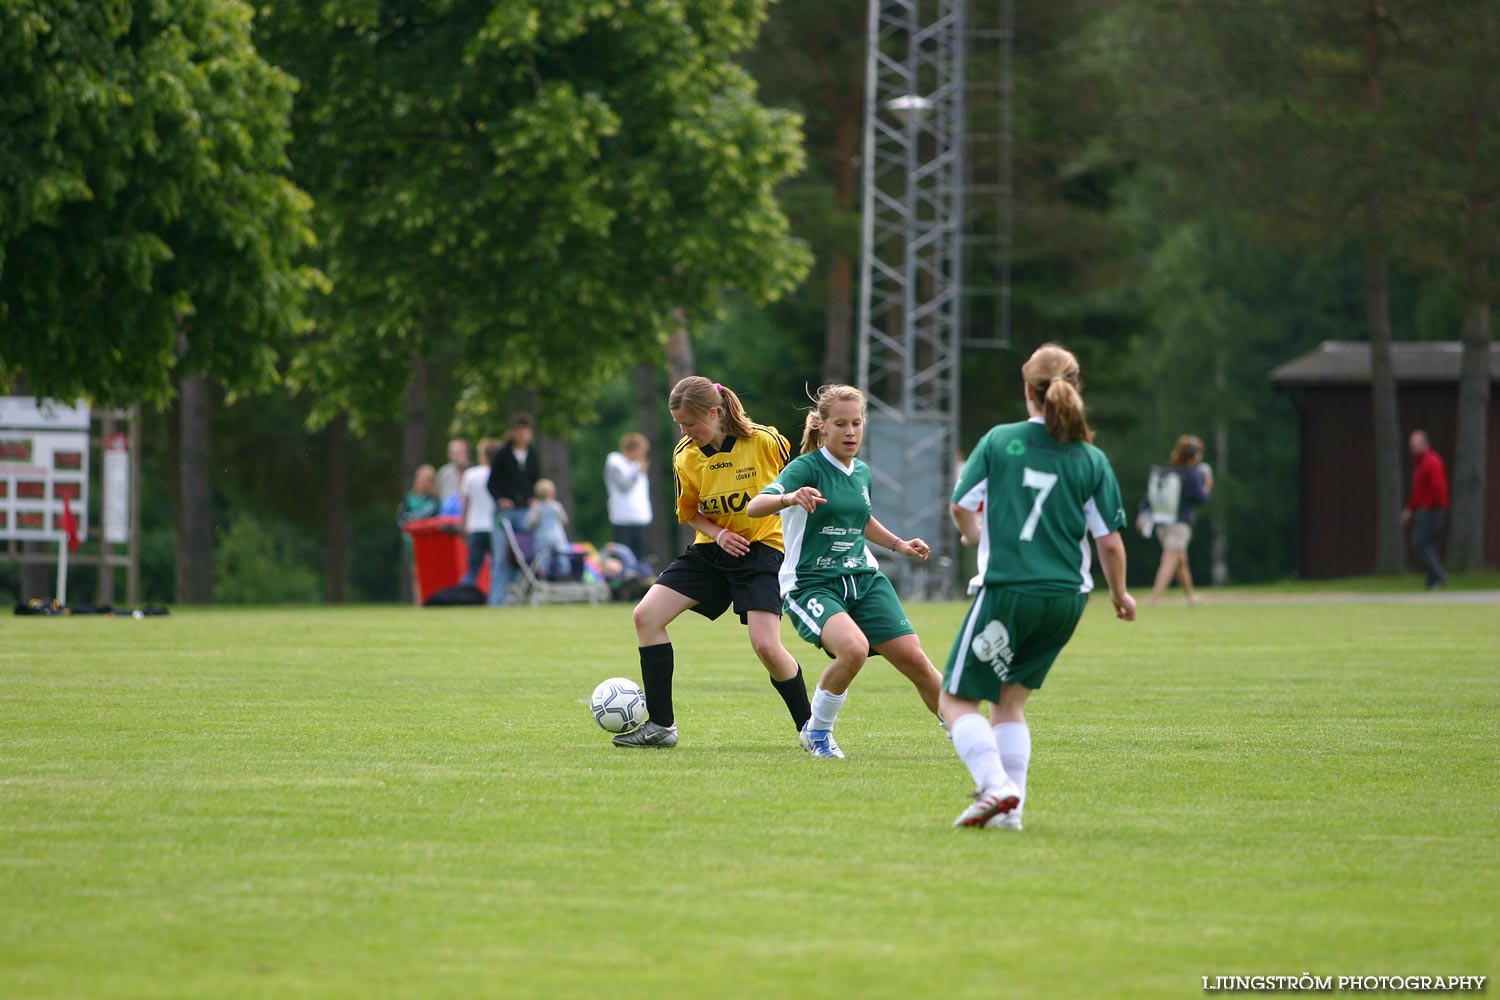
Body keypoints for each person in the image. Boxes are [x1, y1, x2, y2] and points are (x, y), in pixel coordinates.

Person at [942, 343, 1135, 830]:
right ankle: (1012, 813)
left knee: (957, 700)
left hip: (1009, 589)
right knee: (1010, 702)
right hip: (1067, 599)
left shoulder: (1000, 441)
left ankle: (995, 785)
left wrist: (972, 534)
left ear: (1027, 390)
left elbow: (961, 505)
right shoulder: (1091, 458)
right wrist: (1120, 595)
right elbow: (1109, 543)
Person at [744, 384, 946, 758]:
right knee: (852, 650)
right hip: (813, 584)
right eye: (841, 424)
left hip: (864, 580)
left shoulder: (862, 472)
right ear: (822, 426)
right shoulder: (806, 467)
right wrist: (789, 497)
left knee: (916, 660)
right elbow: (756, 506)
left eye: (857, 423)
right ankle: (817, 733)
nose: (850, 431)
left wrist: (898, 544)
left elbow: (862, 517)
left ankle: (965, 731)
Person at [613, 376, 812, 748]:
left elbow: (799, 483)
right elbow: (689, 513)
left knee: (767, 647)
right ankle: (661, 725)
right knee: (646, 616)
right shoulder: (685, 455)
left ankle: (812, 729)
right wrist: (719, 533)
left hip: (763, 551)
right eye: (679, 425)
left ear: (714, 412)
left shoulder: (764, 441)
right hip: (711, 551)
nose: (686, 431)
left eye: (691, 423)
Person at [1147, 435, 1213, 606]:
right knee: (1169, 561)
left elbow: (1150, 497)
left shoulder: (1167, 470)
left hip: (1162, 523)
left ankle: (1191, 597)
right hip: (1180, 525)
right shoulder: (1192, 473)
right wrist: (1207, 487)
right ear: (1194, 455)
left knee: (1180, 561)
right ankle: (1154, 599)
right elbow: (1200, 499)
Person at [487, 413, 541, 607]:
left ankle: (517, 598)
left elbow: (535, 480)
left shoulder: (532, 454)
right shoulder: (503, 455)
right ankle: (496, 601)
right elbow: (492, 484)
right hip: (506, 513)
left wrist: (534, 497)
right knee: (501, 557)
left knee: (523, 557)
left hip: (525, 511)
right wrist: (501, 499)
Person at [1401, 429, 1448, 589]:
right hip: (1426, 509)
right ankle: (1432, 582)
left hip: (1432, 509)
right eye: (1411, 445)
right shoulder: (1420, 463)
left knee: (1419, 543)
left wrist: (1428, 507)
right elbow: (1418, 491)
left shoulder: (1431, 462)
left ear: (1424, 444)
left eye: (1415, 444)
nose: (1412, 448)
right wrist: (1410, 507)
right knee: (1428, 544)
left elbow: (1438, 488)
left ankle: (1439, 576)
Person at [458, 439, 501, 592]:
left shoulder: (471, 475)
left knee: (473, 567)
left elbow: (465, 504)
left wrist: (463, 525)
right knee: (498, 566)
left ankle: (465, 596)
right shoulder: (500, 474)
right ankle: (496, 598)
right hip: (495, 527)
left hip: (475, 526)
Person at [605, 432, 653, 567]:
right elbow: (624, 485)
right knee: (623, 556)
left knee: (641, 556)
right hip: (622, 516)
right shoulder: (615, 462)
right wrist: (638, 470)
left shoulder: (636, 466)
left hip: (640, 516)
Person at [525, 478, 574, 579]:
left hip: (542, 536)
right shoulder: (556, 506)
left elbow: (530, 523)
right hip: (557, 535)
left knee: (542, 557)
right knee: (562, 555)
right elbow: (564, 519)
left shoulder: (537, 507)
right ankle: (565, 573)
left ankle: (543, 575)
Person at [436, 438, 470, 507]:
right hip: (447, 515)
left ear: (467, 453)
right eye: (452, 453)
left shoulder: (474, 473)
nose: (456, 456)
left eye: (459, 453)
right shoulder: (443, 473)